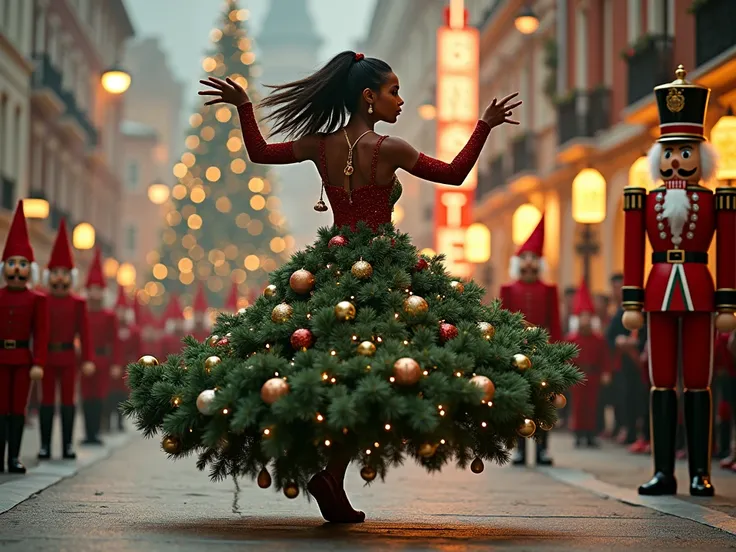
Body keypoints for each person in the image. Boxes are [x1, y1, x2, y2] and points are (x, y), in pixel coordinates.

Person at [126, 50, 580, 525]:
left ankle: (331, 478)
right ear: (368, 97)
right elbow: (454, 174)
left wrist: (244, 107)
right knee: (380, 373)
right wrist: (484, 125)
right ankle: (331, 478)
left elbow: (259, 152)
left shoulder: (321, 146)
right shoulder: (392, 149)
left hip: (330, 269)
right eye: (393, 91)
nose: (400, 101)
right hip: (385, 272)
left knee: (337, 373)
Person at [621, 65, 736, 497]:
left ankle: (700, 473)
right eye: (670, 152)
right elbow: (633, 250)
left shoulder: (717, 199)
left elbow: (729, 252)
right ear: (659, 157)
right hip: (657, 291)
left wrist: (728, 303)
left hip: (702, 290)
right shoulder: (642, 200)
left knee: (700, 382)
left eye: (684, 152)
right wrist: (631, 301)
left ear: (700, 157)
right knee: (662, 380)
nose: (676, 160)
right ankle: (664, 472)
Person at [499, 215, 562, 466]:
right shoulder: (508, 290)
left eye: (533, 258)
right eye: (525, 257)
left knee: (543, 402)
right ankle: (520, 449)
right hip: (517, 350)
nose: (529, 262)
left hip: (543, 351)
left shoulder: (549, 290)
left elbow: (555, 323)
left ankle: (543, 448)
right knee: (519, 401)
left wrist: (558, 352)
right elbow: (502, 321)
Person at [39, 219, 95, 460]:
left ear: (70, 276)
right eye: (55, 272)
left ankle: (67, 445)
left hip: (68, 358)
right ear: (48, 275)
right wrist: (37, 360)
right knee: (47, 401)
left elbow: (85, 333)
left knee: (69, 402)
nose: (59, 278)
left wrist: (88, 359)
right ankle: (44, 445)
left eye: (64, 273)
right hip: (47, 357)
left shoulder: (78, 304)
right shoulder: (41, 301)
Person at [0, 201, 49, 473]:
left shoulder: (36, 300)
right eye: (11, 263)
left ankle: (13, 457)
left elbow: (40, 332)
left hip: (22, 359)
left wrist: (39, 362)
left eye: (22, 264)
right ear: (4, 266)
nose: (16, 269)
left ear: (29, 268)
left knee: (17, 409)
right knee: (0, 408)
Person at [565, 279, 609, 447]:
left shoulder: (598, 340)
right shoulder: (571, 339)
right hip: (577, 376)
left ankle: (591, 434)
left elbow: (605, 357)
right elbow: (567, 358)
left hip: (593, 375)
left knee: (592, 406)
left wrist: (606, 372)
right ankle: (578, 433)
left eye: (588, 317)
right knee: (578, 407)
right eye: (582, 317)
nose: (585, 320)